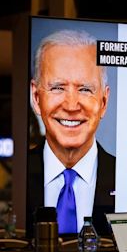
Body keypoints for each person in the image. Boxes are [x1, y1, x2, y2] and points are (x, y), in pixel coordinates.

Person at [27, 29, 115, 237]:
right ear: (36, 97)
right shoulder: (16, 180)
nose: (71, 105)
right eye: (58, 87)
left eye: (85, 89)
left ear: (103, 102)